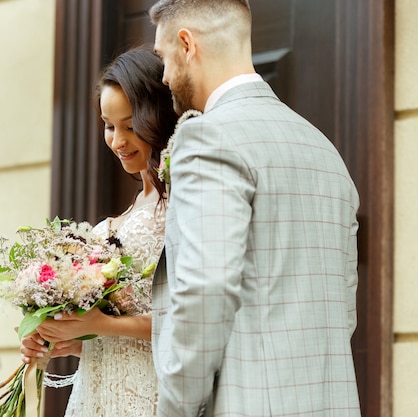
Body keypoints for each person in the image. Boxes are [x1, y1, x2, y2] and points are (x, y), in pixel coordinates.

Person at [148, 1, 362, 416]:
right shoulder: (322, 148)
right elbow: (343, 307)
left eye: (163, 58)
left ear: (187, 45)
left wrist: (176, 408)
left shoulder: (207, 138)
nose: (164, 77)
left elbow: (205, 290)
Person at [19, 46, 178, 416]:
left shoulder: (182, 207)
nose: (118, 141)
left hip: (149, 398)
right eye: (109, 126)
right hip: (96, 398)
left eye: (130, 125)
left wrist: (102, 323)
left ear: (158, 117)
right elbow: (113, 337)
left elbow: (189, 321)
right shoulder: (128, 214)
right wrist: (64, 338)